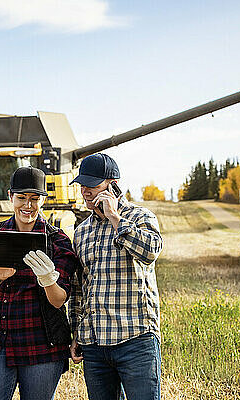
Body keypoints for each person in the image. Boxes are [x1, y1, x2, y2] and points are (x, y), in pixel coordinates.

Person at [0, 166, 79, 400]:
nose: (27, 206)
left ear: (43, 200)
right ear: (10, 197)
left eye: (34, 199)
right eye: (21, 198)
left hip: (42, 345)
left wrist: (48, 279)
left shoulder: (58, 242)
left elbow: (59, 300)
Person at [68, 153, 163, 400]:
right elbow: (80, 287)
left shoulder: (141, 217)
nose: (85, 191)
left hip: (136, 340)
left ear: (113, 184)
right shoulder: (81, 232)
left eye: (92, 185)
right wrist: (77, 332)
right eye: (82, 185)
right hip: (95, 345)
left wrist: (115, 218)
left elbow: (151, 251)